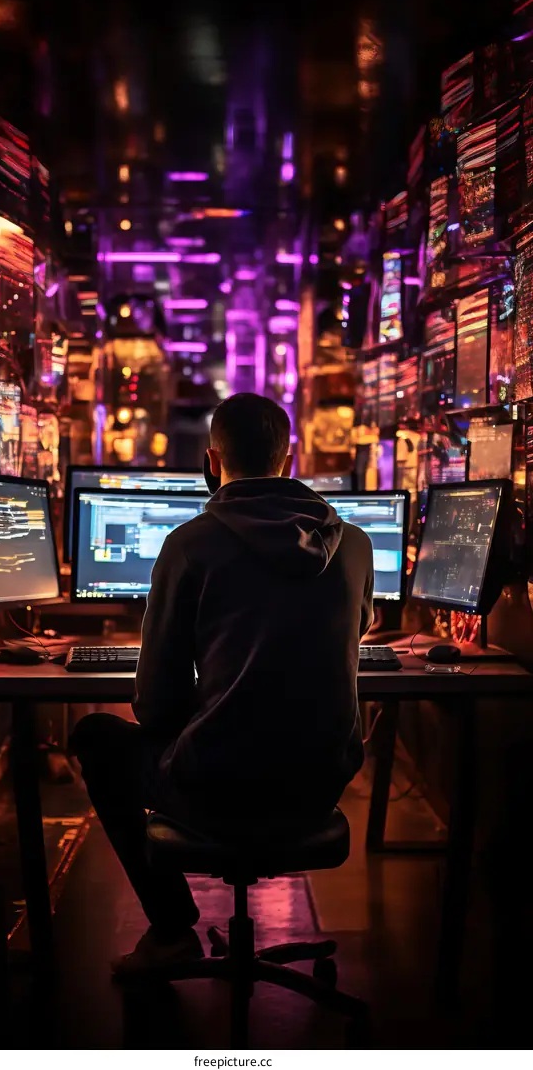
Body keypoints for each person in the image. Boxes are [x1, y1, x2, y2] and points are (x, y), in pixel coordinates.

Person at [71, 393, 374, 977]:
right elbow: (354, 633)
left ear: (212, 461)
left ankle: (171, 930)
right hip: (315, 790)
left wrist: (208, 709)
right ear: (290, 460)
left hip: (217, 789)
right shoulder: (355, 544)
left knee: (96, 737)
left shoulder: (188, 545)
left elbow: (154, 706)